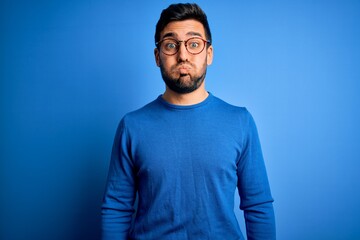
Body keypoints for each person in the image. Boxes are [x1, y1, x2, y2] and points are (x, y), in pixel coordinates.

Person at [101, 3, 276, 240]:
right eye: (171, 45)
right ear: (157, 56)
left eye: (194, 44)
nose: (183, 55)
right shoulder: (132, 126)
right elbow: (116, 207)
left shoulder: (240, 122)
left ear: (209, 54)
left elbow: (258, 206)